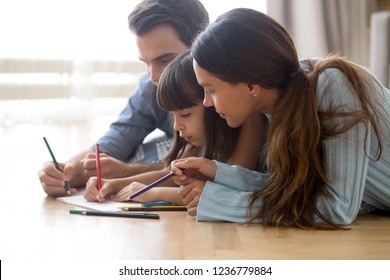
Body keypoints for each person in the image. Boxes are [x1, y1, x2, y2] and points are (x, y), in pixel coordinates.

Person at [170, 8, 390, 229]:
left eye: (211, 90)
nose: (207, 102)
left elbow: (336, 208)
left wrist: (221, 202)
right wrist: (218, 173)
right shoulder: (277, 105)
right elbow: (287, 188)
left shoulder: (334, 85)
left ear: (250, 84)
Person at [38, 0, 209, 196]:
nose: (153, 76)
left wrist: (126, 172)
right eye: (145, 63)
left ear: (202, 47)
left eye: (165, 60)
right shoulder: (150, 88)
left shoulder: (232, 96)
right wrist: (65, 172)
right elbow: (114, 142)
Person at [83, 50, 266, 204]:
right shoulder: (199, 138)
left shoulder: (251, 120)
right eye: (173, 116)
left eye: (185, 114)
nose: (177, 126)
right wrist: (112, 184)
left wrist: (154, 194)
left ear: (209, 101)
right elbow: (169, 176)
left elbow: (230, 190)